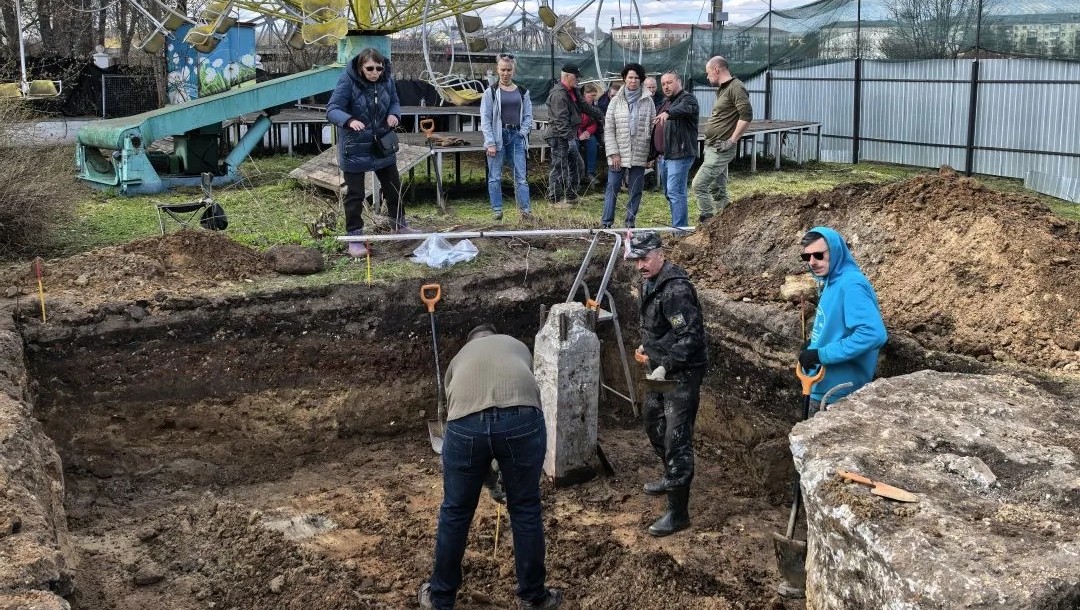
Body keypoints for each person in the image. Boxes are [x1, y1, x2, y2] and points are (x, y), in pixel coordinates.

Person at [419, 324, 562, 610]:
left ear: (470, 342)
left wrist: (488, 479)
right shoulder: (516, 346)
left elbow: (463, 418)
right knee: (525, 508)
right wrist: (502, 479)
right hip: (521, 419)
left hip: (466, 424)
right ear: (496, 336)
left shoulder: (459, 359)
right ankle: (534, 598)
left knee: (456, 511)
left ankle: (440, 598)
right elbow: (526, 386)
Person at [626, 231, 707, 537]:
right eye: (636, 260)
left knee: (676, 438)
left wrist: (665, 364)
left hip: (681, 374)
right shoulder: (649, 282)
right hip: (659, 369)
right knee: (653, 422)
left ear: (660, 254)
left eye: (645, 259)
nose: (640, 266)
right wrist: (647, 346)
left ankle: (678, 513)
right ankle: (671, 474)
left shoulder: (676, 290)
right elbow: (658, 326)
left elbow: (691, 337)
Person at [326, 47, 415, 257]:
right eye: (370, 68)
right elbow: (332, 109)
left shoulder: (387, 81)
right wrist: (349, 120)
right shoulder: (347, 81)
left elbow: (394, 102)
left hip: (381, 144)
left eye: (379, 68)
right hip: (354, 146)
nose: (375, 73)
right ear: (361, 67)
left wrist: (394, 114)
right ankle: (354, 239)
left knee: (393, 187)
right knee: (355, 195)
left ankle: (399, 226)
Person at [798, 227, 888, 406]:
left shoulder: (851, 285)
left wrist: (821, 354)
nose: (812, 262)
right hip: (819, 385)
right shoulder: (831, 281)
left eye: (819, 255)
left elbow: (873, 334)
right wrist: (814, 343)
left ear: (835, 251)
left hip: (836, 394)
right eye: (807, 257)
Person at [692, 55, 752, 223]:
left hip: (721, 148)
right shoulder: (723, 88)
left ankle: (706, 220)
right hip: (712, 146)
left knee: (698, 184)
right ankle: (726, 223)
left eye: (708, 72)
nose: (707, 76)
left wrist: (732, 140)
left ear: (716, 70)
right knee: (717, 188)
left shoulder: (736, 87)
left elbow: (746, 116)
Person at [600, 63, 655, 229]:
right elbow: (609, 129)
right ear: (624, 78)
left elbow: (652, 128)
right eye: (630, 77)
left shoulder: (648, 101)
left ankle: (630, 223)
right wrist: (613, 153)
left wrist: (651, 155)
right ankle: (606, 223)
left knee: (636, 189)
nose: (633, 80)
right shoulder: (615, 101)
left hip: (640, 153)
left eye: (637, 78)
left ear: (641, 80)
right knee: (612, 187)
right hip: (618, 154)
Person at [481, 53, 533, 221]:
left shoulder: (523, 92)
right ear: (497, 70)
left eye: (509, 70)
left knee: (521, 177)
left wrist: (522, 133)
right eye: (503, 70)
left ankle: (525, 211)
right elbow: (486, 119)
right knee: (495, 176)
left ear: (513, 70)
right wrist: (490, 142)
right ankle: (497, 210)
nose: (505, 73)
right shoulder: (491, 92)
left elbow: (528, 116)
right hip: (498, 136)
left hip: (516, 136)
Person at [542, 65, 602, 204]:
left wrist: (601, 115)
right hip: (558, 135)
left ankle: (571, 196)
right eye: (576, 77)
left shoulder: (573, 91)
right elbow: (561, 120)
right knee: (559, 167)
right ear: (567, 76)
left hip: (569, 134)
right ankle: (555, 200)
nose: (578, 80)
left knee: (577, 165)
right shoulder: (559, 94)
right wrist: (570, 140)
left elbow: (585, 107)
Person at [650, 70, 699, 227]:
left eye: (669, 82)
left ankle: (680, 230)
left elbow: (684, 109)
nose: (666, 86)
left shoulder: (688, 98)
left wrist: (668, 112)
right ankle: (678, 227)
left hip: (680, 154)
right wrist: (652, 155)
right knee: (669, 193)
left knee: (675, 192)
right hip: (664, 156)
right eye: (663, 84)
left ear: (679, 82)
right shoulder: (665, 102)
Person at [578, 83, 603, 183]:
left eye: (595, 96)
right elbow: (573, 122)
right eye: (592, 95)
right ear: (585, 94)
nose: (594, 98)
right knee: (574, 145)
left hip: (586, 133)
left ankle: (590, 173)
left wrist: (588, 132)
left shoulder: (593, 107)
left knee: (592, 141)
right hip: (574, 133)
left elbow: (594, 123)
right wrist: (580, 134)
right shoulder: (577, 105)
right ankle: (577, 173)